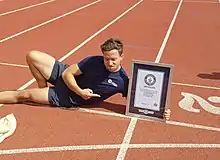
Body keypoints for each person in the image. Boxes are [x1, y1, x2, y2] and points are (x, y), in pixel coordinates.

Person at [0, 38, 171, 120]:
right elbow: (67, 74)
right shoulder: (92, 60)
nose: (109, 62)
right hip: (67, 77)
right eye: (106, 58)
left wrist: (160, 110)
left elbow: (139, 102)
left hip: (67, 97)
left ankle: (41, 93)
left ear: (121, 57)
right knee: (32, 55)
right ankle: (41, 87)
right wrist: (80, 91)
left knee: (22, 95)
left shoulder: (122, 81)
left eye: (113, 59)